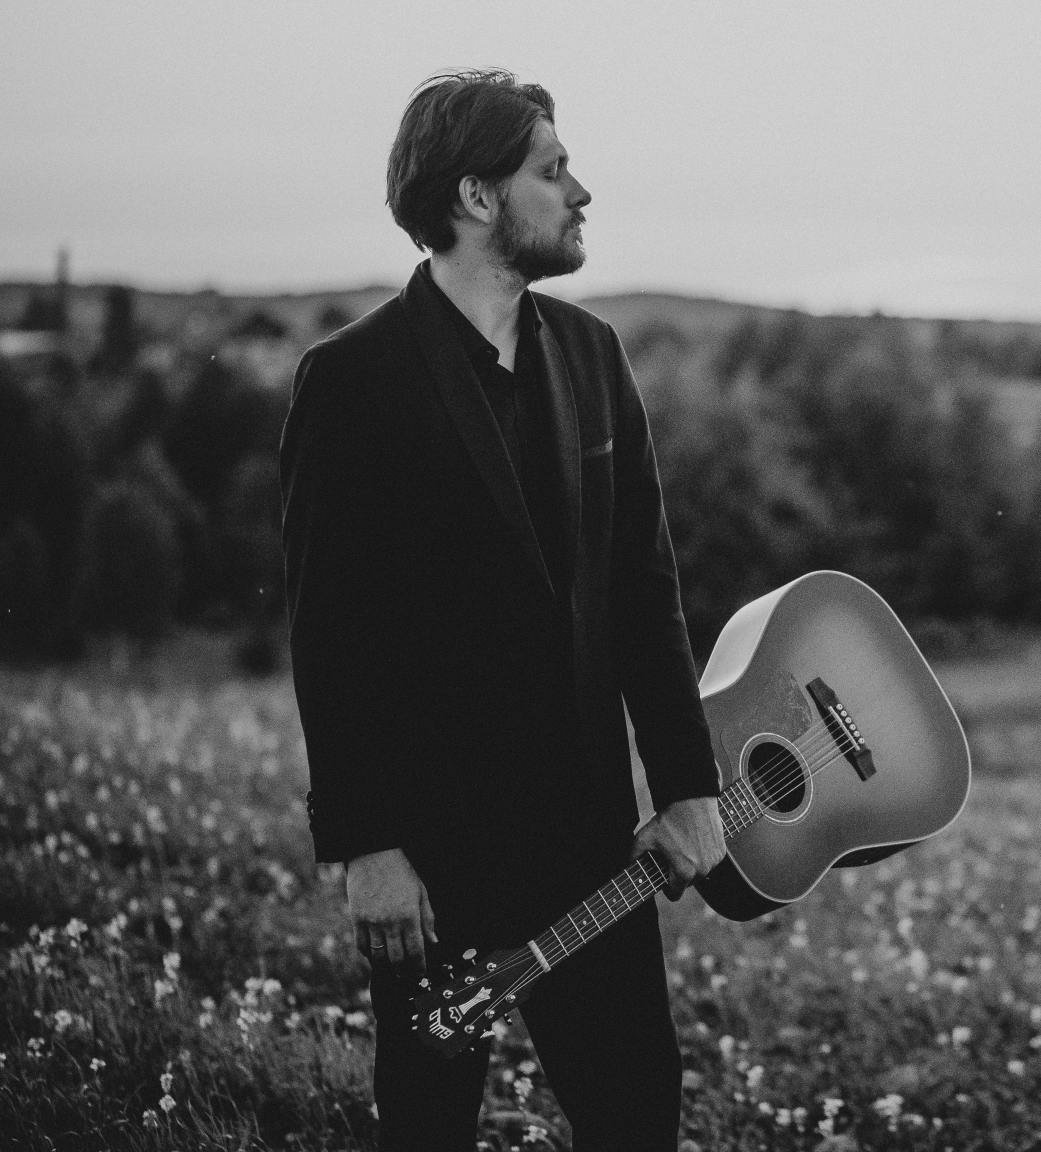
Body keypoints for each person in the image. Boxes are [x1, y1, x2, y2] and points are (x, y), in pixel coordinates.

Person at [279, 69, 727, 1151]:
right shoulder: (351, 380)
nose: (581, 192)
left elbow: (642, 590)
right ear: (478, 197)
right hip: (433, 862)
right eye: (553, 169)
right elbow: (330, 636)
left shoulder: (592, 354)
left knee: (635, 1119)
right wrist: (369, 846)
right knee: (427, 1130)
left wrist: (684, 786)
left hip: (591, 846)